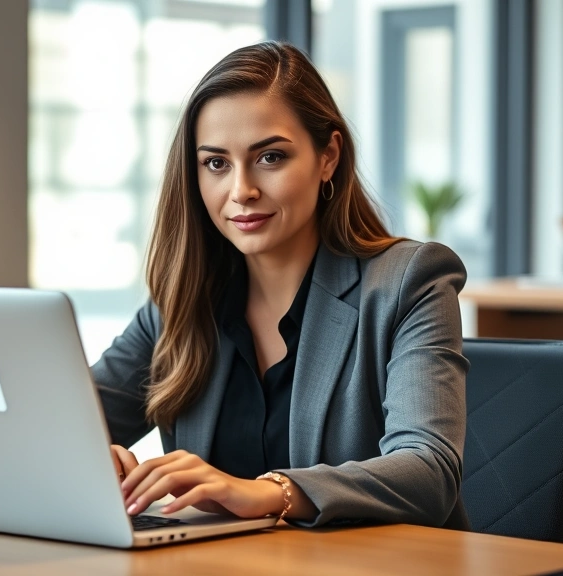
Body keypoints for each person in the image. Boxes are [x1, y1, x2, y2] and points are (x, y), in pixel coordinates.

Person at [92, 41, 469, 530]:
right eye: (216, 163)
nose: (241, 190)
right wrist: (94, 457)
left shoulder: (408, 282)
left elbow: (428, 470)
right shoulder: (183, 301)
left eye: (269, 157)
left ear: (328, 156)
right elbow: (65, 421)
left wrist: (270, 492)